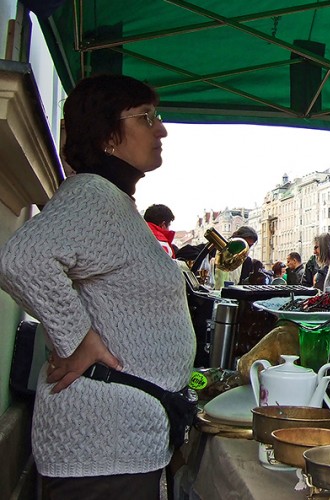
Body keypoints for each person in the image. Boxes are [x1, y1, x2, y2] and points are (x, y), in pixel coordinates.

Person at [0, 74, 194, 499]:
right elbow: (22, 260)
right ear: (108, 134)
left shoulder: (113, 202)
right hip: (104, 445)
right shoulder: (92, 195)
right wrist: (79, 341)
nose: (160, 128)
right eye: (146, 117)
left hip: (117, 440)